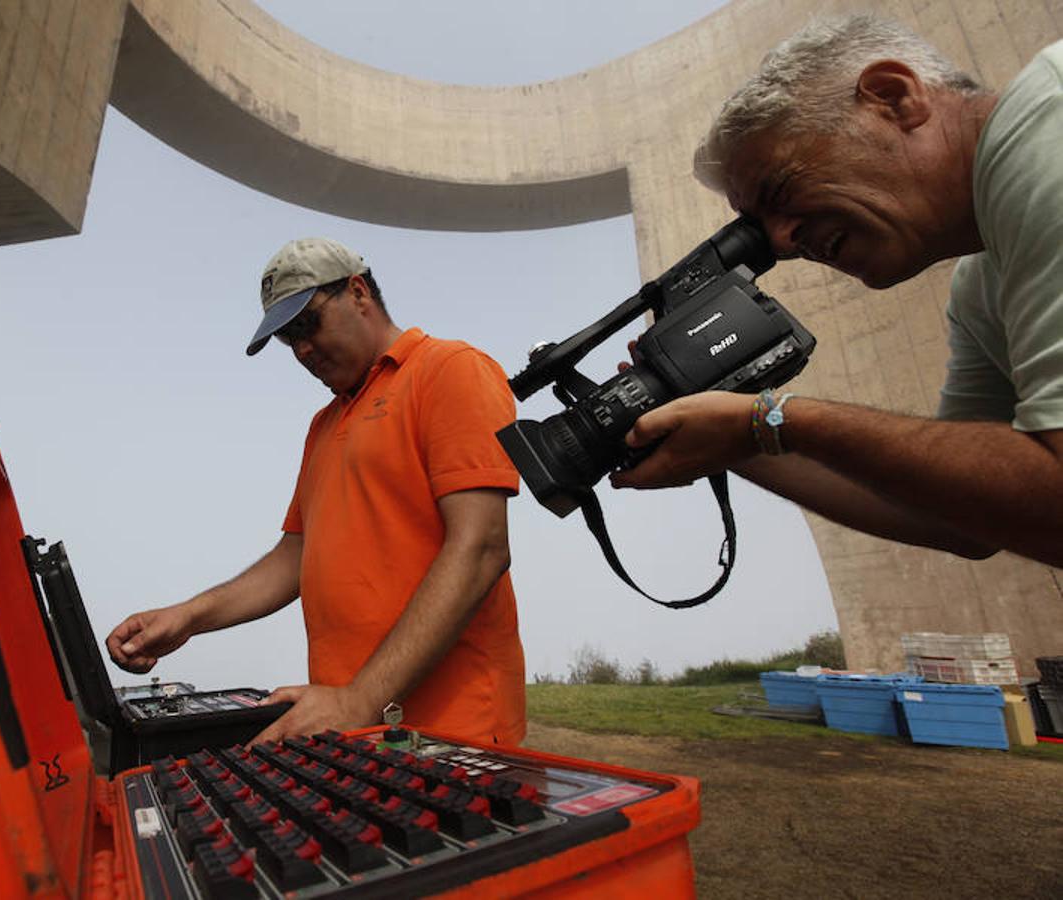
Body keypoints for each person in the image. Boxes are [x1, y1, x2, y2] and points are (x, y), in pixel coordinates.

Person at [611, 15, 1063, 569]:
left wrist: (777, 418)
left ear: (895, 98)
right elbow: (959, 515)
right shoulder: (979, 289)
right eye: (758, 225)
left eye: (782, 190)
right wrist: (728, 435)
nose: (780, 241)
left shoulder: (1044, 135)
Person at [106, 237, 527, 745]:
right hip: (356, 731)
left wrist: (357, 701)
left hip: (451, 736)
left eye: (307, 325)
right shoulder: (323, 426)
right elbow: (295, 558)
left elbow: (480, 548)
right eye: (288, 339)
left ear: (358, 293)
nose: (302, 349)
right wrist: (186, 618)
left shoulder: (449, 369)